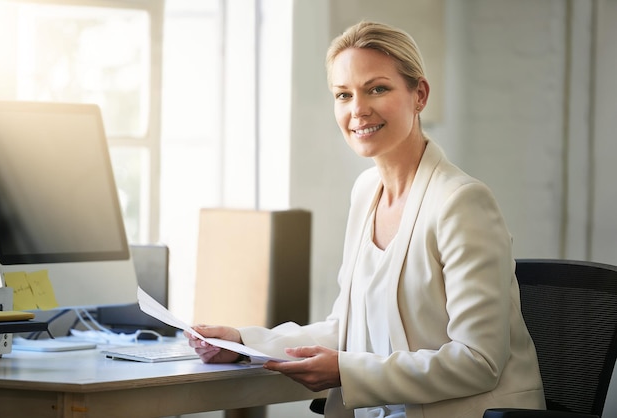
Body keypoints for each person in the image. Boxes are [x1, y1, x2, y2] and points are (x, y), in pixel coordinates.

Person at [186, 21, 545, 418]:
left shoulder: (461, 202)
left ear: (419, 94)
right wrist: (243, 343)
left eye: (377, 88)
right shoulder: (366, 191)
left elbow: (479, 361)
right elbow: (347, 327)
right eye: (343, 94)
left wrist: (345, 369)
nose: (358, 109)